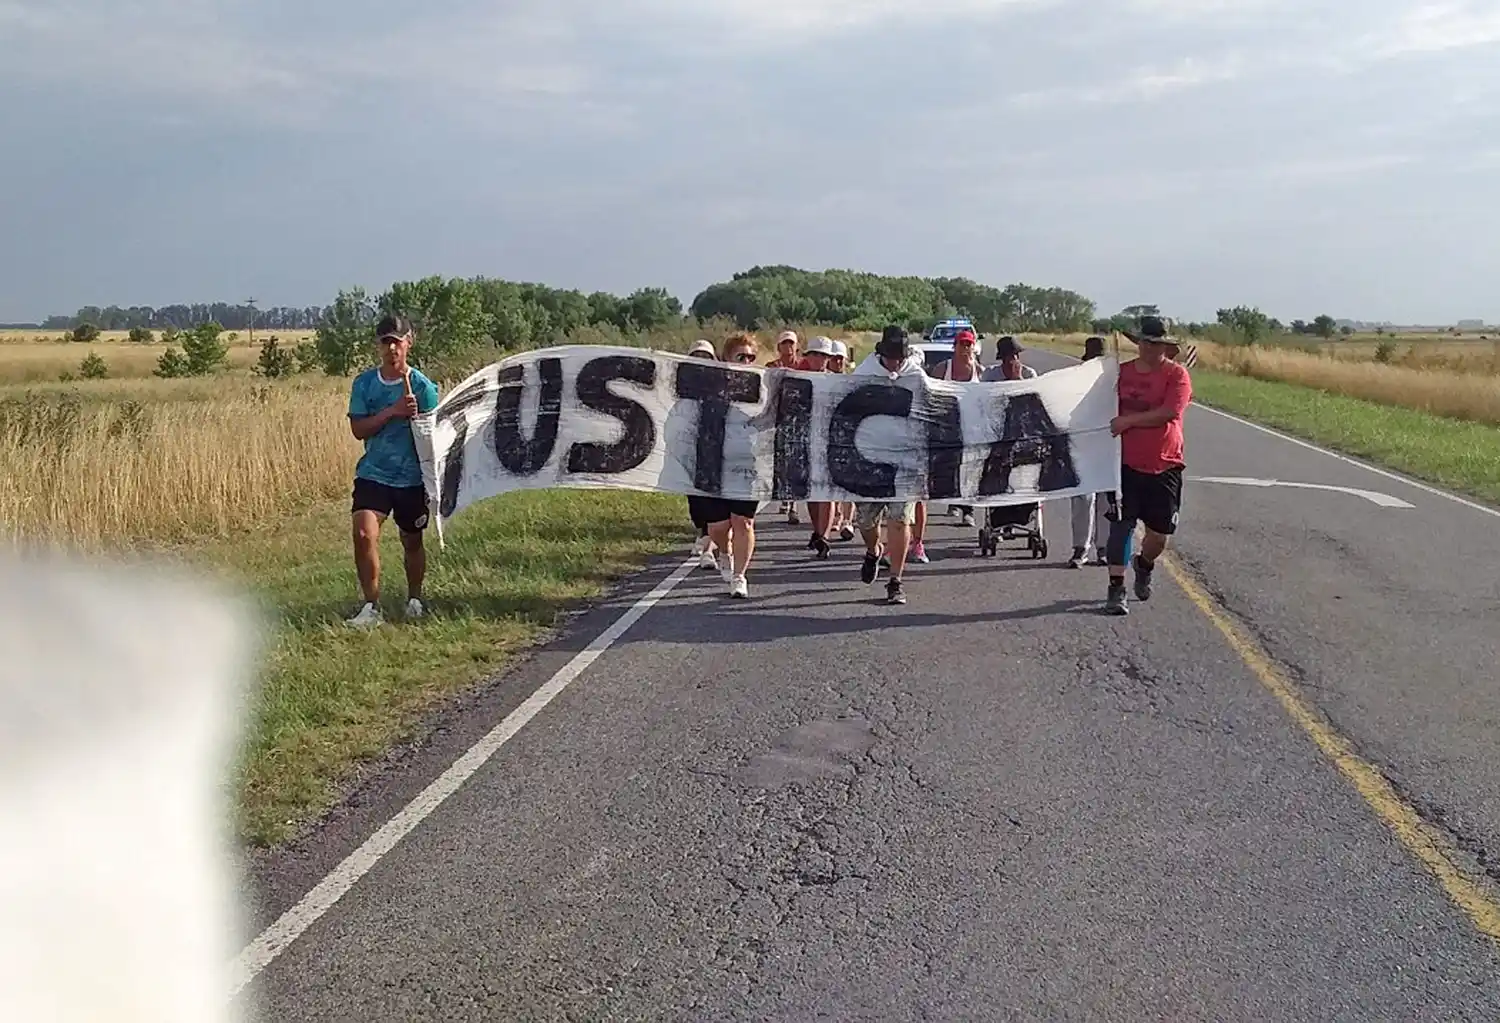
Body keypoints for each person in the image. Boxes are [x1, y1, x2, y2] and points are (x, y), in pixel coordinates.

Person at [345, 314, 442, 627]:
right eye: (385, 342)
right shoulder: (365, 384)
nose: (391, 349)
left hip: (411, 478)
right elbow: (359, 429)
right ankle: (371, 607)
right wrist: (394, 411)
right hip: (374, 473)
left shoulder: (424, 387)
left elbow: (434, 439)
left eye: (397, 342)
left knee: (412, 541)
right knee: (363, 533)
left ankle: (414, 598)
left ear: (408, 344)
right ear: (378, 346)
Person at [1103, 315, 1193, 615]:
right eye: (1146, 342)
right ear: (1138, 343)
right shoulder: (1120, 373)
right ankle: (1116, 587)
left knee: (1159, 535)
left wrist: (1127, 421)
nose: (1151, 349)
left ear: (1166, 347)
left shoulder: (1176, 376)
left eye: (1157, 344)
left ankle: (1144, 564)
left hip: (1164, 464)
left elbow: (1169, 412)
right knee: (1120, 526)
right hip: (1124, 465)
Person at [851, 325, 926, 605]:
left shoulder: (916, 375)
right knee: (866, 521)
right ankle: (873, 550)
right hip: (870, 456)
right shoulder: (863, 373)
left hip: (904, 459)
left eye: (900, 357)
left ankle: (896, 580)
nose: (896, 363)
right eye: (891, 357)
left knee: (899, 519)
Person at [705, 332, 764, 598]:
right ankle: (725, 551)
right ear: (726, 358)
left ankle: (740, 576)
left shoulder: (764, 388)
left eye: (752, 357)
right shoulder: (709, 387)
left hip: (748, 466)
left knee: (744, 522)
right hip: (714, 465)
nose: (748, 361)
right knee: (718, 527)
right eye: (742, 356)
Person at [927, 327, 985, 528]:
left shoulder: (980, 371)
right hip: (946, 425)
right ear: (955, 346)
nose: (965, 348)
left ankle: (968, 510)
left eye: (969, 344)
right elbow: (930, 394)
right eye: (962, 344)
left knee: (970, 467)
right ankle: (952, 501)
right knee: (948, 466)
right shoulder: (943, 369)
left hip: (971, 427)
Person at [1068, 335, 1113, 568]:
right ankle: (1080, 548)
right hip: (1083, 443)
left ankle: (1103, 547)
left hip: (1107, 443)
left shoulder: (1113, 381)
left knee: (1106, 499)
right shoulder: (1077, 380)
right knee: (1083, 498)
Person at [797, 336, 838, 557]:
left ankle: (824, 537)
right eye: (815, 354)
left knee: (827, 491)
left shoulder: (837, 382)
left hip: (830, 441)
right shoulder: (799, 379)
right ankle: (817, 530)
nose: (818, 359)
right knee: (811, 492)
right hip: (805, 440)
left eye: (823, 355)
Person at [684, 339, 723, 571]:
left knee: (712, 494)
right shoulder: (681, 384)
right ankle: (703, 530)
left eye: (706, 357)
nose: (702, 361)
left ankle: (709, 541)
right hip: (689, 446)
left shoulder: (721, 383)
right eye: (697, 356)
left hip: (715, 447)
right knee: (693, 495)